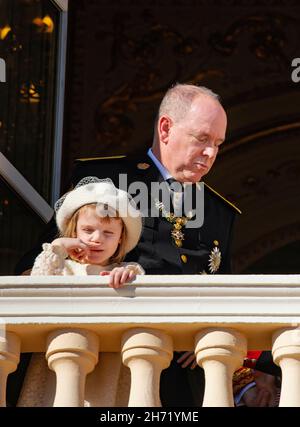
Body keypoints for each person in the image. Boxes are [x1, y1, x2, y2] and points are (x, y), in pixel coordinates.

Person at [14, 83, 278, 407]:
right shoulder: (105, 179)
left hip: (179, 384)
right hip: (102, 369)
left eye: (218, 144)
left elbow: (224, 296)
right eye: (202, 139)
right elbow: (36, 264)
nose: (211, 153)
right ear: (166, 128)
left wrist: (207, 331)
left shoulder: (219, 212)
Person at [30, 176, 144, 285]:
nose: (97, 238)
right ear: (74, 232)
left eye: (108, 232)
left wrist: (126, 278)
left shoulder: (128, 269)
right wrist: (57, 247)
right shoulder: (60, 268)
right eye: (88, 230)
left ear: (120, 237)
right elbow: (36, 285)